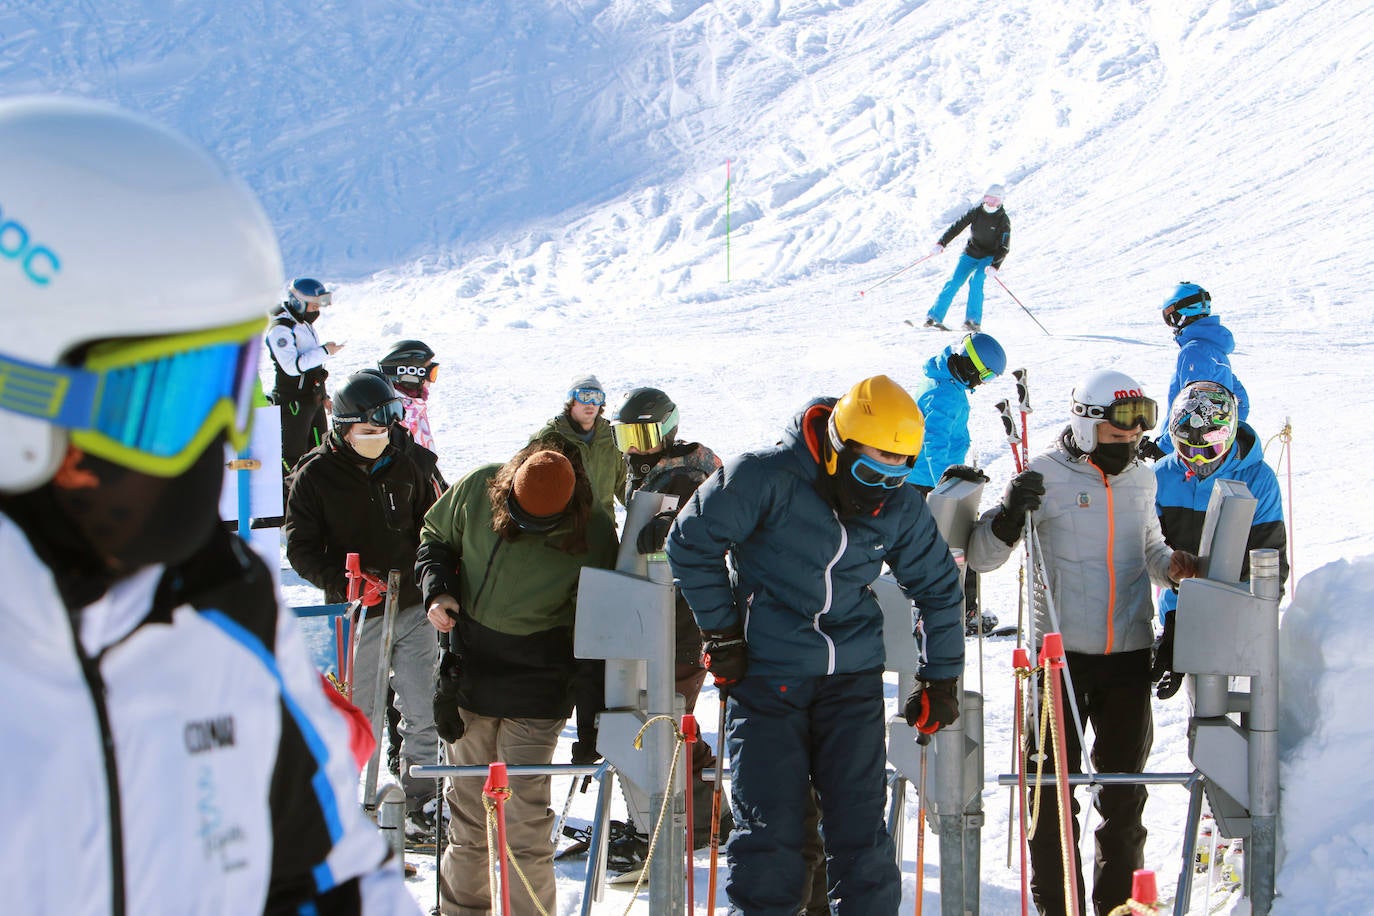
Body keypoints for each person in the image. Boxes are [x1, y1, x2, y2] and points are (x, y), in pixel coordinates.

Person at [0, 96, 417, 913]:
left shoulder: (222, 607)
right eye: (168, 399)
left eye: (223, 391)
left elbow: (332, 874)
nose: (207, 448)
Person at [666, 375, 967, 914]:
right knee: (770, 838)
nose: (881, 489)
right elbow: (690, 541)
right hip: (766, 677)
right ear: (838, 446)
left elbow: (940, 587)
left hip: (850, 679)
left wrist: (940, 676)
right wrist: (723, 632)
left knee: (862, 837)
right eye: (870, 472)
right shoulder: (764, 476)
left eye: (897, 476)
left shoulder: (896, 504)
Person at [965, 368, 1198, 916]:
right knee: (1050, 797)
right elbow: (982, 557)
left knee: (1123, 796)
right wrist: (1008, 515)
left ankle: (1117, 906)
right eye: (1118, 439)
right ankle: (1057, 907)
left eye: (1136, 439)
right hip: (1058, 661)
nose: (1130, 447)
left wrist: (1177, 567)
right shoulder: (1042, 475)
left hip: (1129, 657)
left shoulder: (1142, 476)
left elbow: (1151, 551)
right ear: (1088, 425)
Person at [419, 443, 618, 916]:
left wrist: (590, 722)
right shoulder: (477, 488)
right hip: (470, 671)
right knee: (469, 813)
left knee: (523, 820)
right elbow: (434, 538)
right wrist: (438, 592)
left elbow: (594, 632)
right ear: (509, 489)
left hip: (540, 684)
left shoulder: (593, 532)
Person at [285, 371, 441, 838]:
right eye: (367, 432)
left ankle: (421, 800)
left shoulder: (408, 461)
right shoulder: (314, 475)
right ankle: (355, 803)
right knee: (361, 710)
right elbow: (301, 550)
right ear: (343, 428)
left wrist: (432, 578)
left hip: (412, 603)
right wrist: (344, 582)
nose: (378, 439)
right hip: (356, 613)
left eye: (383, 430)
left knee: (421, 704)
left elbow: (434, 525)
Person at [606, 387, 727, 859]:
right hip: (661, 618)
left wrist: (671, 529)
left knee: (664, 721)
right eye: (625, 436)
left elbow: (699, 529)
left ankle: (682, 824)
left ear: (667, 429)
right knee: (672, 720)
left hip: (677, 625)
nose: (634, 446)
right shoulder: (664, 471)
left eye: (644, 434)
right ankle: (707, 817)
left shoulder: (683, 479)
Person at [1150, 381, 1288, 690]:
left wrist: (1253, 618)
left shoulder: (1257, 479)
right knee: (1200, 707)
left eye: (1210, 450)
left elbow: (1271, 558)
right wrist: (1175, 625)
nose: (1200, 462)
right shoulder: (1161, 477)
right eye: (1188, 451)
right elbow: (1154, 554)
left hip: (1239, 611)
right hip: (1183, 610)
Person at [906, 331, 1007, 636]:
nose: (983, 383)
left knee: (918, 548)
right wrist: (947, 485)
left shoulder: (945, 381)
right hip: (931, 484)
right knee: (961, 545)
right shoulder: (944, 394)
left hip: (925, 481)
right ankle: (965, 614)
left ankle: (913, 610)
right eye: (985, 375)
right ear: (969, 365)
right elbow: (933, 443)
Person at [266, 277, 344, 480]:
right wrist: (325, 351)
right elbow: (293, 367)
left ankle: (315, 495)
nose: (317, 310)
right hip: (293, 401)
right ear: (298, 302)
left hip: (312, 398)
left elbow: (313, 368)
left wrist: (323, 394)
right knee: (294, 453)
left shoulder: (302, 323)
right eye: (313, 305)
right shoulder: (281, 329)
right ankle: (289, 499)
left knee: (319, 448)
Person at [531, 374, 627, 522]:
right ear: (571, 401)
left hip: (603, 528)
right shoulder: (550, 436)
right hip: (563, 529)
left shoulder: (611, 436)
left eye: (597, 397)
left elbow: (624, 484)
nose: (591, 404)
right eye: (584, 396)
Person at [923, 184, 1012, 332]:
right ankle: (934, 317)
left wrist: (995, 265)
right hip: (970, 253)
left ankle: (972, 321)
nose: (990, 204)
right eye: (988, 199)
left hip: (988, 257)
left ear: (1001, 202)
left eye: (994, 201)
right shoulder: (976, 212)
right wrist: (941, 243)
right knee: (954, 282)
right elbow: (957, 226)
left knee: (976, 281)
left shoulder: (1003, 220)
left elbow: (1004, 246)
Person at [1162, 281, 1250, 423]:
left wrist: (1164, 445)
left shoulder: (1194, 351)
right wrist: (1226, 434)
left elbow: (1191, 408)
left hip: (1191, 442)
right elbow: (1241, 401)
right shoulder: (1215, 351)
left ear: (1179, 314)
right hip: (1212, 441)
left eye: (1169, 317)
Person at [379, 338, 441, 452]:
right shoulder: (399, 414)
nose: (432, 380)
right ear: (411, 374)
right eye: (431, 372)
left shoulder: (414, 405)